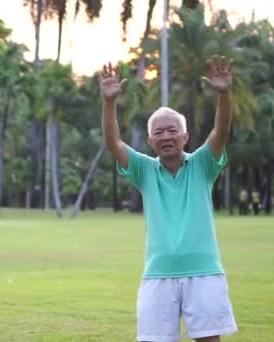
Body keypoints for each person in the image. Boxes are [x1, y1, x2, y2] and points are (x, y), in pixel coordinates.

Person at [99, 55, 238, 342]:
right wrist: (109, 102)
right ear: (151, 142)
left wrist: (224, 94)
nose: (166, 136)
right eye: (158, 132)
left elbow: (220, 132)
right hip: (158, 275)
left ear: (185, 136)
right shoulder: (145, 170)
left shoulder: (202, 165)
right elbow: (113, 143)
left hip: (204, 272)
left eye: (172, 130)